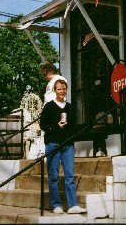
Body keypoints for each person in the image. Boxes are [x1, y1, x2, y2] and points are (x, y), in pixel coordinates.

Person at [40, 79, 86, 214]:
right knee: (53, 175)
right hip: (53, 144)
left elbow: (74, 126)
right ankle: (56, 205)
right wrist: (56, 126)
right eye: (59, 89)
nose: (62, 91)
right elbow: (43, 125)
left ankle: (72, 205)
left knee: (70, 175)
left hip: (67, 145)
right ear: (55, 90)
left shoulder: (70, 107)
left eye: (64, 89)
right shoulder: (49, 106)